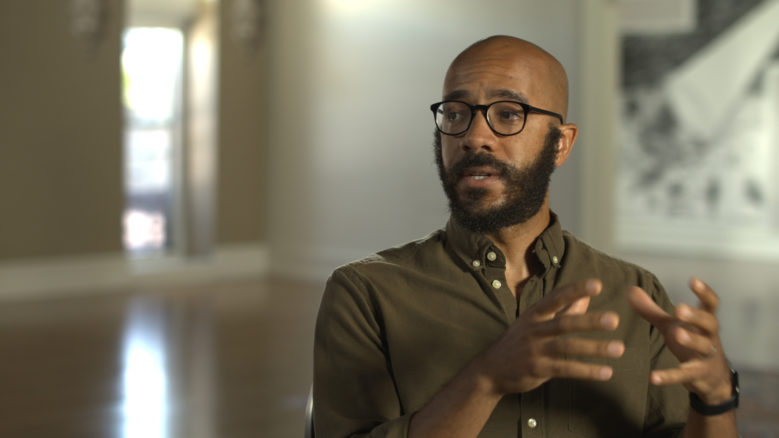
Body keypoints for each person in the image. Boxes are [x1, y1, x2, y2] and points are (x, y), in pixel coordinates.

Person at [313, 35, 739, 437]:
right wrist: (487, 379)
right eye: (456, 114)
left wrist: (715, 398)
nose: (473, 136)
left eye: (508, 114)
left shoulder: (635, 294)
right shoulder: (365, 293)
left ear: (561, 144)